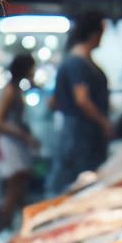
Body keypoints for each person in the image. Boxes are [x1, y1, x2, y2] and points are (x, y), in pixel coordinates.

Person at [48, 11, 112, 193]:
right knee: (81, 187)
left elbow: (52, 102)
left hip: (74, 134)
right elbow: (82, 99)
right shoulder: (78, 63)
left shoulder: (72, 62)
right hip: (81, 138)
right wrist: (104, 123)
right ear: (93, 34)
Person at [0, 53, 39, 230]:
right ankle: (4, 227)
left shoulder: (16, 89)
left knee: (19, 188)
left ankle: (19, 227)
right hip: (10, 144)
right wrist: (24, 135)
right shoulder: (10, 91)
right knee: (13, 188)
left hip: (16, 143)